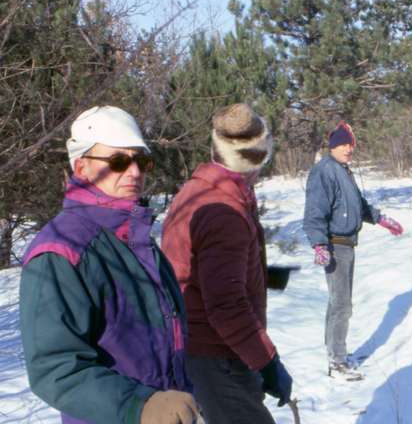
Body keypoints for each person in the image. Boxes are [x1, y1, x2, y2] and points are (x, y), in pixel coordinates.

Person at [20, 106, 198, 424]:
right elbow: (54, 367)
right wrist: (140, 406)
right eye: (118, 161)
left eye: (141, 161)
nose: (134, 172)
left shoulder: (135, 241)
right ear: (82, 166)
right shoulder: (63, 250)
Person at [162, 103, 292, 424]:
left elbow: (197, 270)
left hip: (203, 350)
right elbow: (225, 305)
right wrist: (267, 362)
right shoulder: (224, 211)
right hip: (218, 357)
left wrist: (260, 275)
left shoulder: (198, 190)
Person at [303, 121, 404, 377]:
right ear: (333, 146)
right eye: (344, 144)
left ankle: (333, 352)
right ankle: (337, 362)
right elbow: (315, 210)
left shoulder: (342, 170)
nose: (349, 149)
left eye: (351, 145)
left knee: (337, 302)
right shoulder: (324, 171)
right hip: (335, 244)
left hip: (346, 244)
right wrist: (319, 244)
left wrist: (380, 218)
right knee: (342, 305)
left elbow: (358, 203)